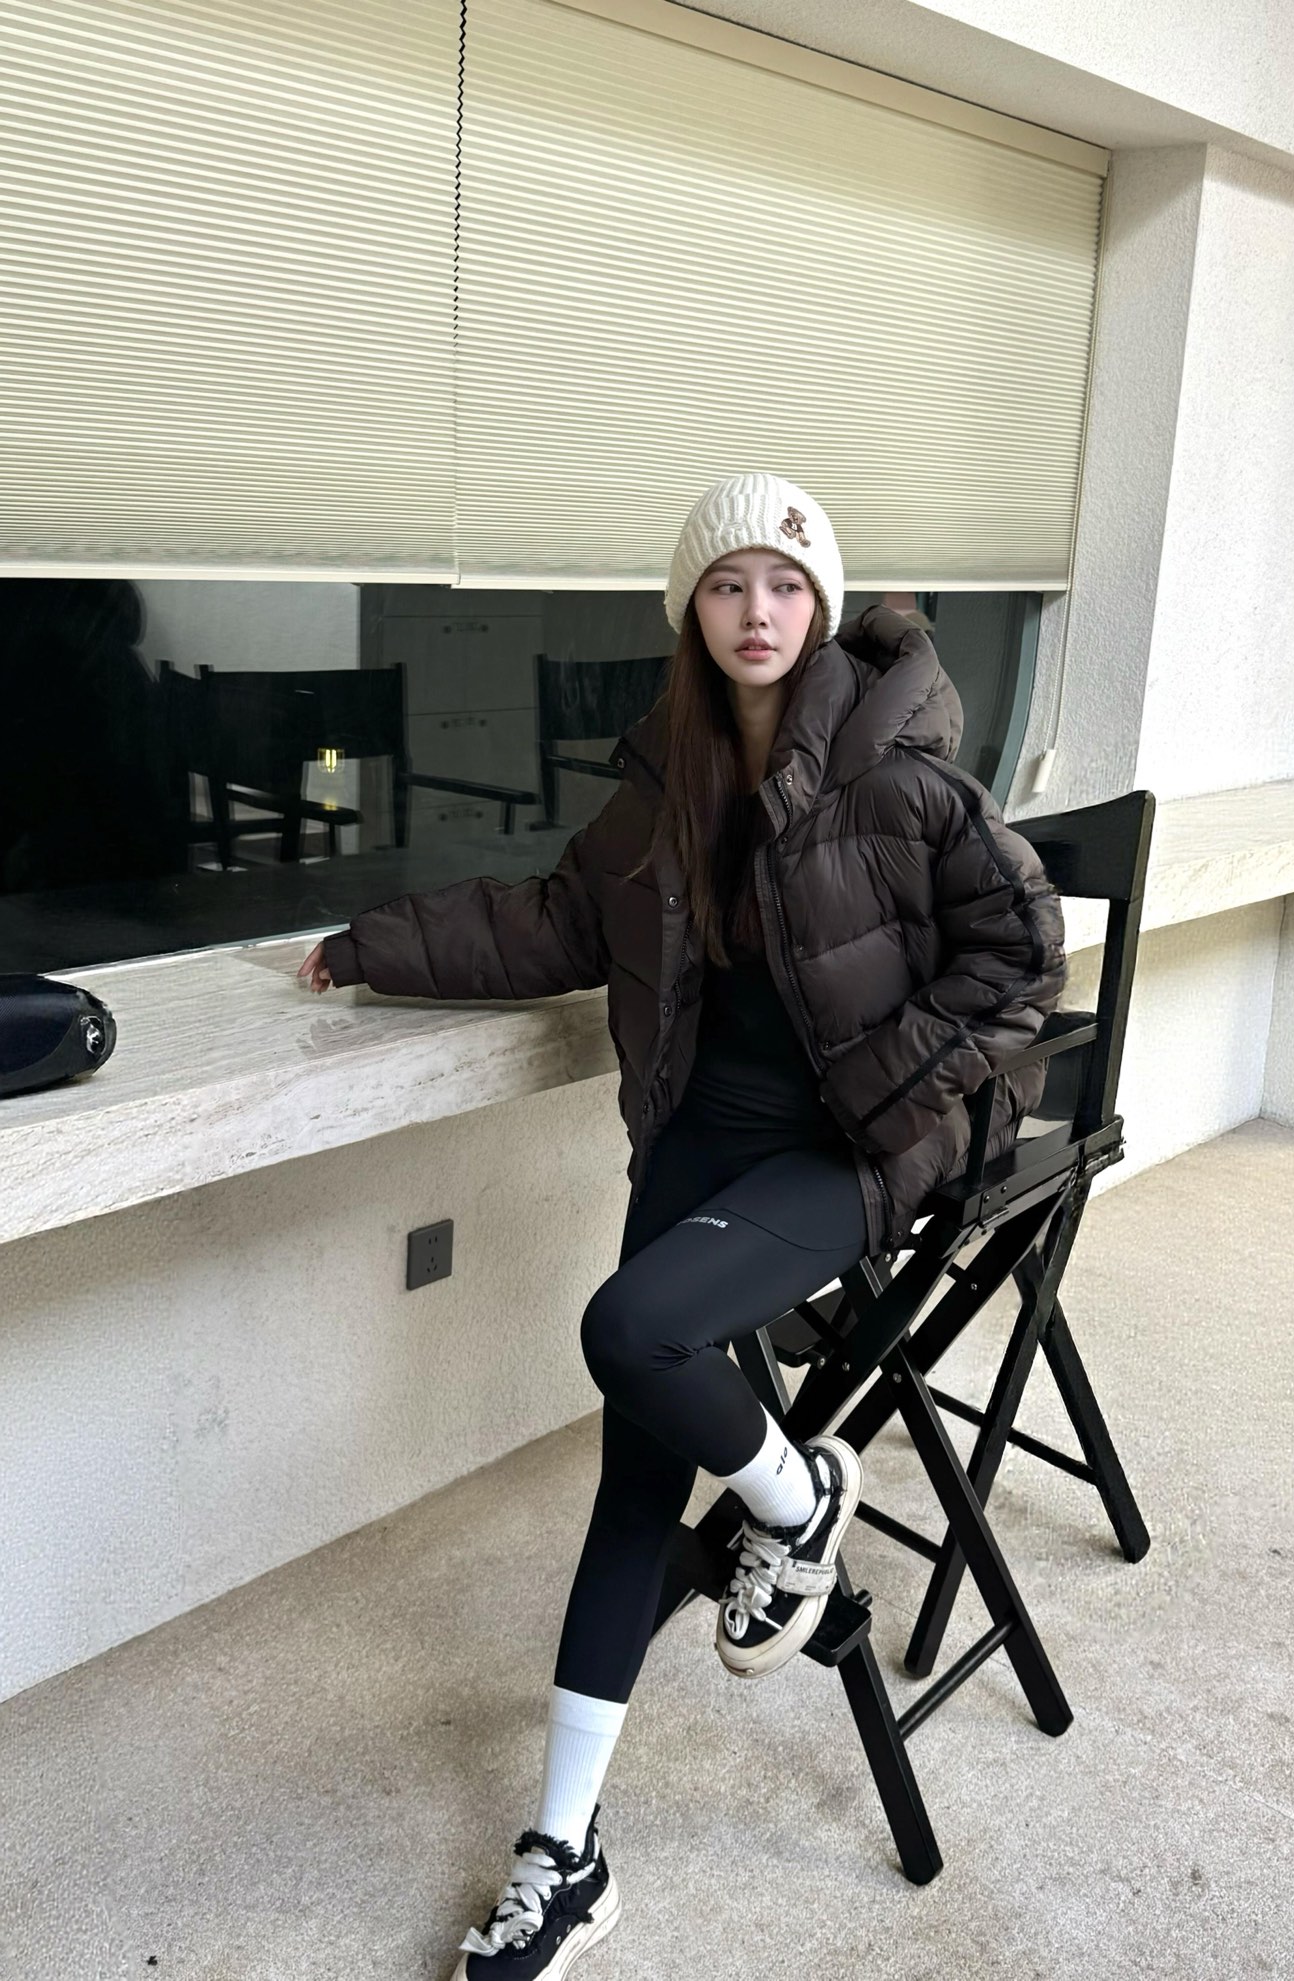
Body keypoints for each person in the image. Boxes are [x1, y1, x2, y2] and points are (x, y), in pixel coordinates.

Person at [297, 471, 1067, 1977]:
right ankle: (565, 1854)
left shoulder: (896, 767)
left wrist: (891, 1087)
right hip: (699, 1141)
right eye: (726, 585)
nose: (756, 611)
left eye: (785, 583)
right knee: (632, 1492)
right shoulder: (666, 780)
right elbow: (550, 921)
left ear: (820, 602)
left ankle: (799, 1500)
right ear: (690, 610)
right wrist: (370, 941)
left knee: (628, 1329)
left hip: (845, 1149)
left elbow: (1024, 950)